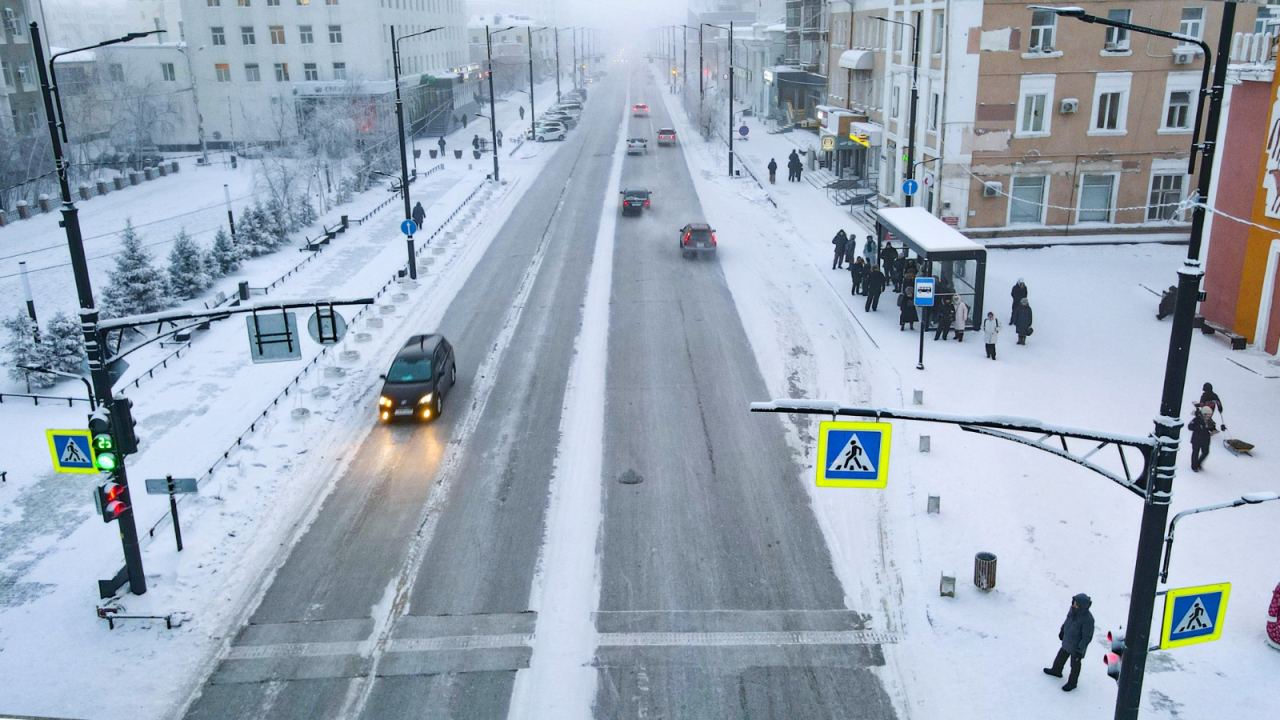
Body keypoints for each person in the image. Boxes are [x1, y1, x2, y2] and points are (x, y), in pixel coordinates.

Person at [1044, 593, 1094, 692]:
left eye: (1076, 604)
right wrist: (1062, 630)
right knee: (1060, 657)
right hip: (1068, 641)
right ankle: (1056, 670)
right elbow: (1067, 621)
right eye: (1074, 602)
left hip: (1077, 647)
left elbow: (1086, 637)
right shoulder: (1073, 610)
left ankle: (1072, 682)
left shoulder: (1088, 619)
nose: (1074, 605)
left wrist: (1080, 649)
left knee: (1075, 665)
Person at [1187, 404, 1216, 471]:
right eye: (1207, 414)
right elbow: (1190, 427)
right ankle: (1194, 466)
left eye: (1210, 415)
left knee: (1205, 452)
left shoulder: (1210, 421)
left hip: (1205, 440)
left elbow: (1212, 427)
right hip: (1197, 439)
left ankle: (1198, 463)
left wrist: (1213, 430)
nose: (1208, 416)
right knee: (1195, 453)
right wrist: (1198, 428)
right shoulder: (1197, 419)